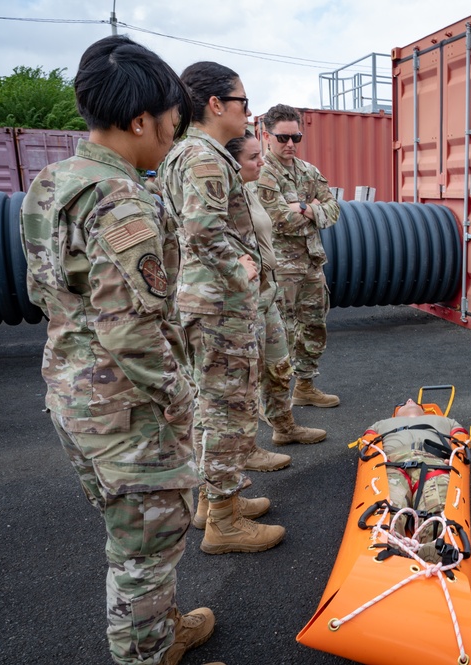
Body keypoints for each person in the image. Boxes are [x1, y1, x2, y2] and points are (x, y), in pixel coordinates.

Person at [20, 35, 223, 665]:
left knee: (135, 532)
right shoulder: (120, 200)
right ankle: (146, 653)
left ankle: (162, 628)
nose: (173, 133)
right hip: (126, 409)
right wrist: (181, 397)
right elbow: (132, 329)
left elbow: (42, 289)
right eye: (169, 120)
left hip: (72, 394)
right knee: (144, 549)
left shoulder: (53, 182)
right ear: (140, 120)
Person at [161, 62, 285, 555]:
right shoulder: (206, 156)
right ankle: (225, 524)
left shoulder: (180, 153)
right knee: (228, 411)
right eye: (242, 102)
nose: (247, 111)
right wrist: (243, 273)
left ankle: (215, 504)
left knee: (211, 408)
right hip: (219, 306)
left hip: (202, 303)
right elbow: (203, 230)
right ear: (216, 105)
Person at [224, 131, 328, 455]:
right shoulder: (222, 194)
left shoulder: (248, 190)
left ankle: (284, 427)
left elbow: (328, 208)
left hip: (267, 288)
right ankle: (246, 450)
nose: (261, 161)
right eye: (253, 157)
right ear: (232, 162)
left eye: (259, 155)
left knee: (278, 364)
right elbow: (196, 238)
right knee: (246, 376)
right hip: (245, 294)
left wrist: (307, 210)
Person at [255, 104, 341, 409]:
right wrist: (312, 212)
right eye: (283, 138)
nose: (290, 144)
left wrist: (305, 209)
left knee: (314, 326)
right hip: (280, 270)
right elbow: (278, 219)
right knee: (282, 335)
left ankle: (305, 386)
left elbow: (334, 209)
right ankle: (276, 405)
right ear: (267, 135)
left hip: (311, 264)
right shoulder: (261, 173)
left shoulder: (308, 171)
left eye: (296, 137)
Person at [363, 399, 468, 563]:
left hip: (433, 462)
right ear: (396, 413)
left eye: (416, 402)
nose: (410, 400)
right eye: (403, 402)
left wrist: (455, 459)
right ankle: (389, 543)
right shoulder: (381, 424)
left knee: (437, 505)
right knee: (389, 505)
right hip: (393, 463)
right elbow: (368, 443)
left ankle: (435, 548)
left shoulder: (447, 421)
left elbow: (461, 439)